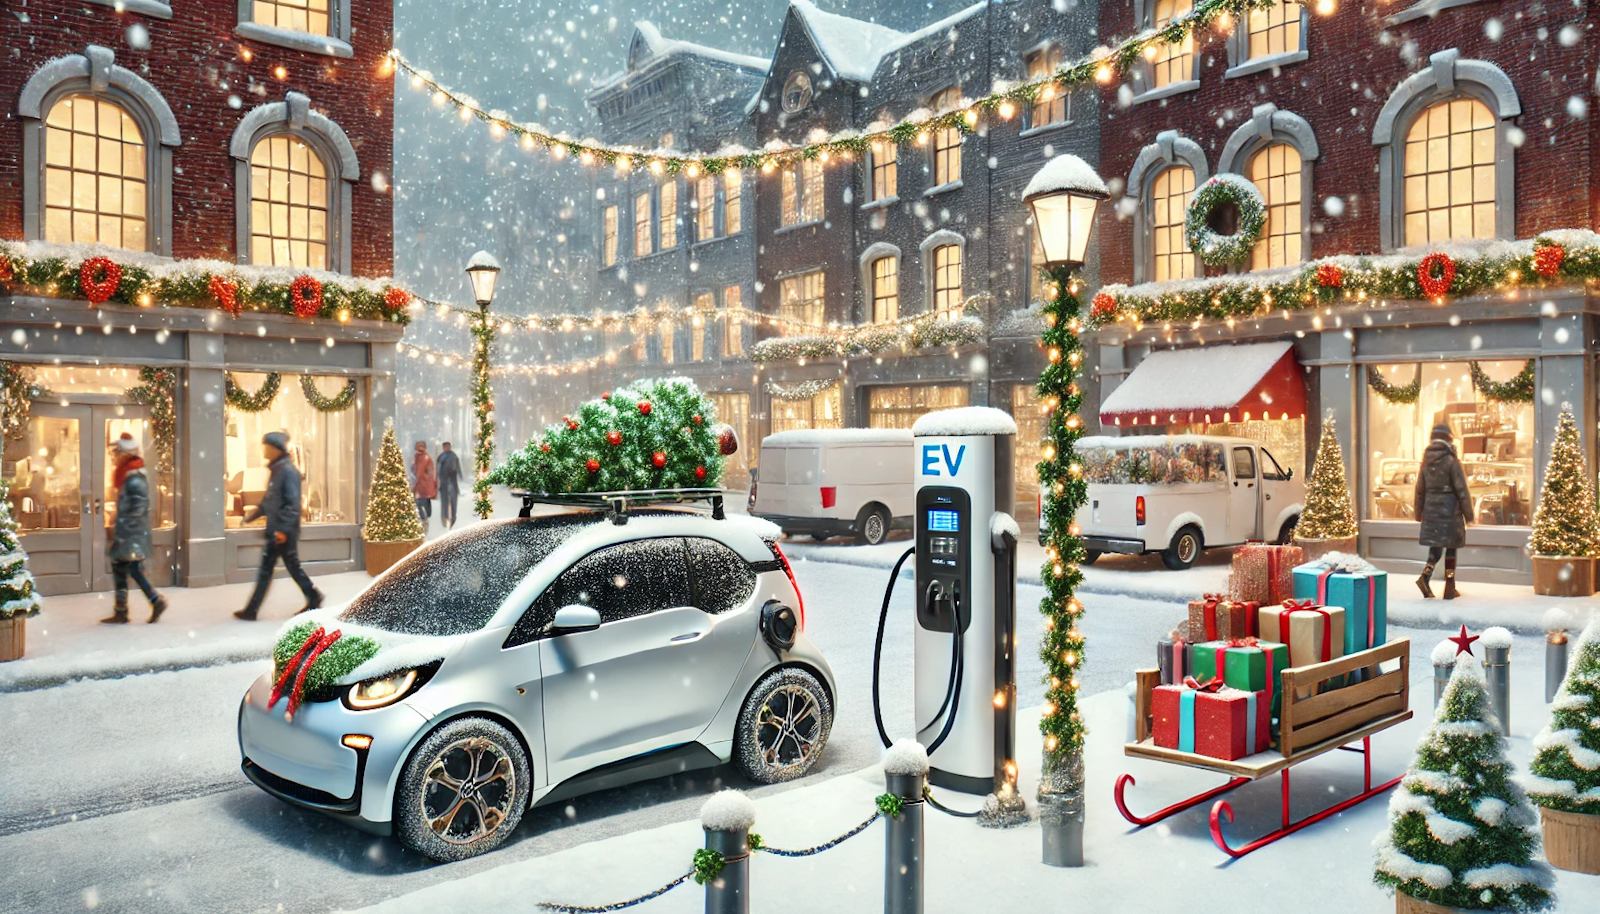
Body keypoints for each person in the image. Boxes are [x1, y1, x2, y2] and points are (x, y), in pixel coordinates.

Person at [235, 432, 323, 620]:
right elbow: (269, 502)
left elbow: (292, 504)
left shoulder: (287, 471)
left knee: (273, 568)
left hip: (282, 531)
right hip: (277, 529)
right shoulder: (277, 470)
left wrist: (283, 530)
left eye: (266, 446)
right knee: (287, 567)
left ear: (276, 449)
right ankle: (313, 596)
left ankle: (252, 609)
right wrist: (251, 517)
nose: (264, 450)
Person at [102, 433, 168, 624]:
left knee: (131, 568)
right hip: (128, 533)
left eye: (116, 453)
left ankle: (153, 602)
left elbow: (138, 508)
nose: (113, 457)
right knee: (122, 567)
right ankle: (124, 609)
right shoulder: (127, 476)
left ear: (125, 454)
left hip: (132, 534)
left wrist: (123, 528)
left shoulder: (134, 478)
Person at [1414, 423, 1472, 600]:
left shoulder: (1426, 461)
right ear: (1448, 439)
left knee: (1436, 546)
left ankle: (1426, 576)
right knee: (1451, 547)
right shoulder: (1451, 460)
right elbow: (1461, 489)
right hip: (1449, 510)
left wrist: (1419, 512)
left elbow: (1420, 489)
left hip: (1432, 509)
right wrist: (1468, 514)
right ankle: (1449, 585)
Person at [412, 440, 437, 534]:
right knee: (424, 507)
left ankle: (424, 526)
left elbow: (419, 473)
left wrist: (413, 487)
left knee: (420, 506)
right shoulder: (422, 457)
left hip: (423, 487)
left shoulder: (422, 458)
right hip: (426, 487)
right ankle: (424, 524)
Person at [436, 441, 462, 530]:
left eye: (448, 446)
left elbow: (458, 467)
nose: (447, 448)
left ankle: (453, 519)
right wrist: (438, 480)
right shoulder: (441, 457)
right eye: (445, 446)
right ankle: (445, 518)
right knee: (444, 502)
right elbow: (438, 470)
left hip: (452, 482)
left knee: (453, 501)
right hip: (444, 482)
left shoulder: (454, 456)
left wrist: (460, 476)